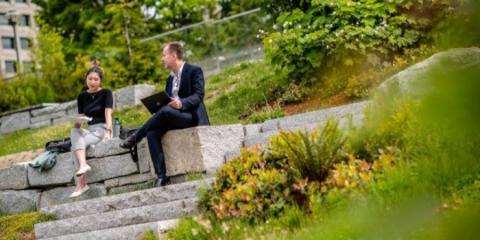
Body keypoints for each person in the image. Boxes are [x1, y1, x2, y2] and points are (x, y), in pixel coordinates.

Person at [120, 42, 210, 186]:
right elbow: (168, 101)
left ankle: (136, 136)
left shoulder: (194, 70)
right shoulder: (170, 79)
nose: (162, 59)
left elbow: (199, 95)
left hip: (191, 116)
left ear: (174, 55)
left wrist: (181, 103)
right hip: (172, 116)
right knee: (152, 133)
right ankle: (161, 176)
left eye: (164, 55)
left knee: (166, 110)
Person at [69, 61, 113, 198]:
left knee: (73, 148)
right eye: (90, 79)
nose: (92, 82)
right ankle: (83, 165)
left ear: (100, 81)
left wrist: (108, 131)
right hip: (88, 128)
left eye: (96, 79)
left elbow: (108, 114)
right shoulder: (82, 96)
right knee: (73, 132)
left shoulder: (106, 93)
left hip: (100, 129)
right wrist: (76, 123)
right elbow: (81, 118)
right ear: (86, 78)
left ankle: (81, 184)